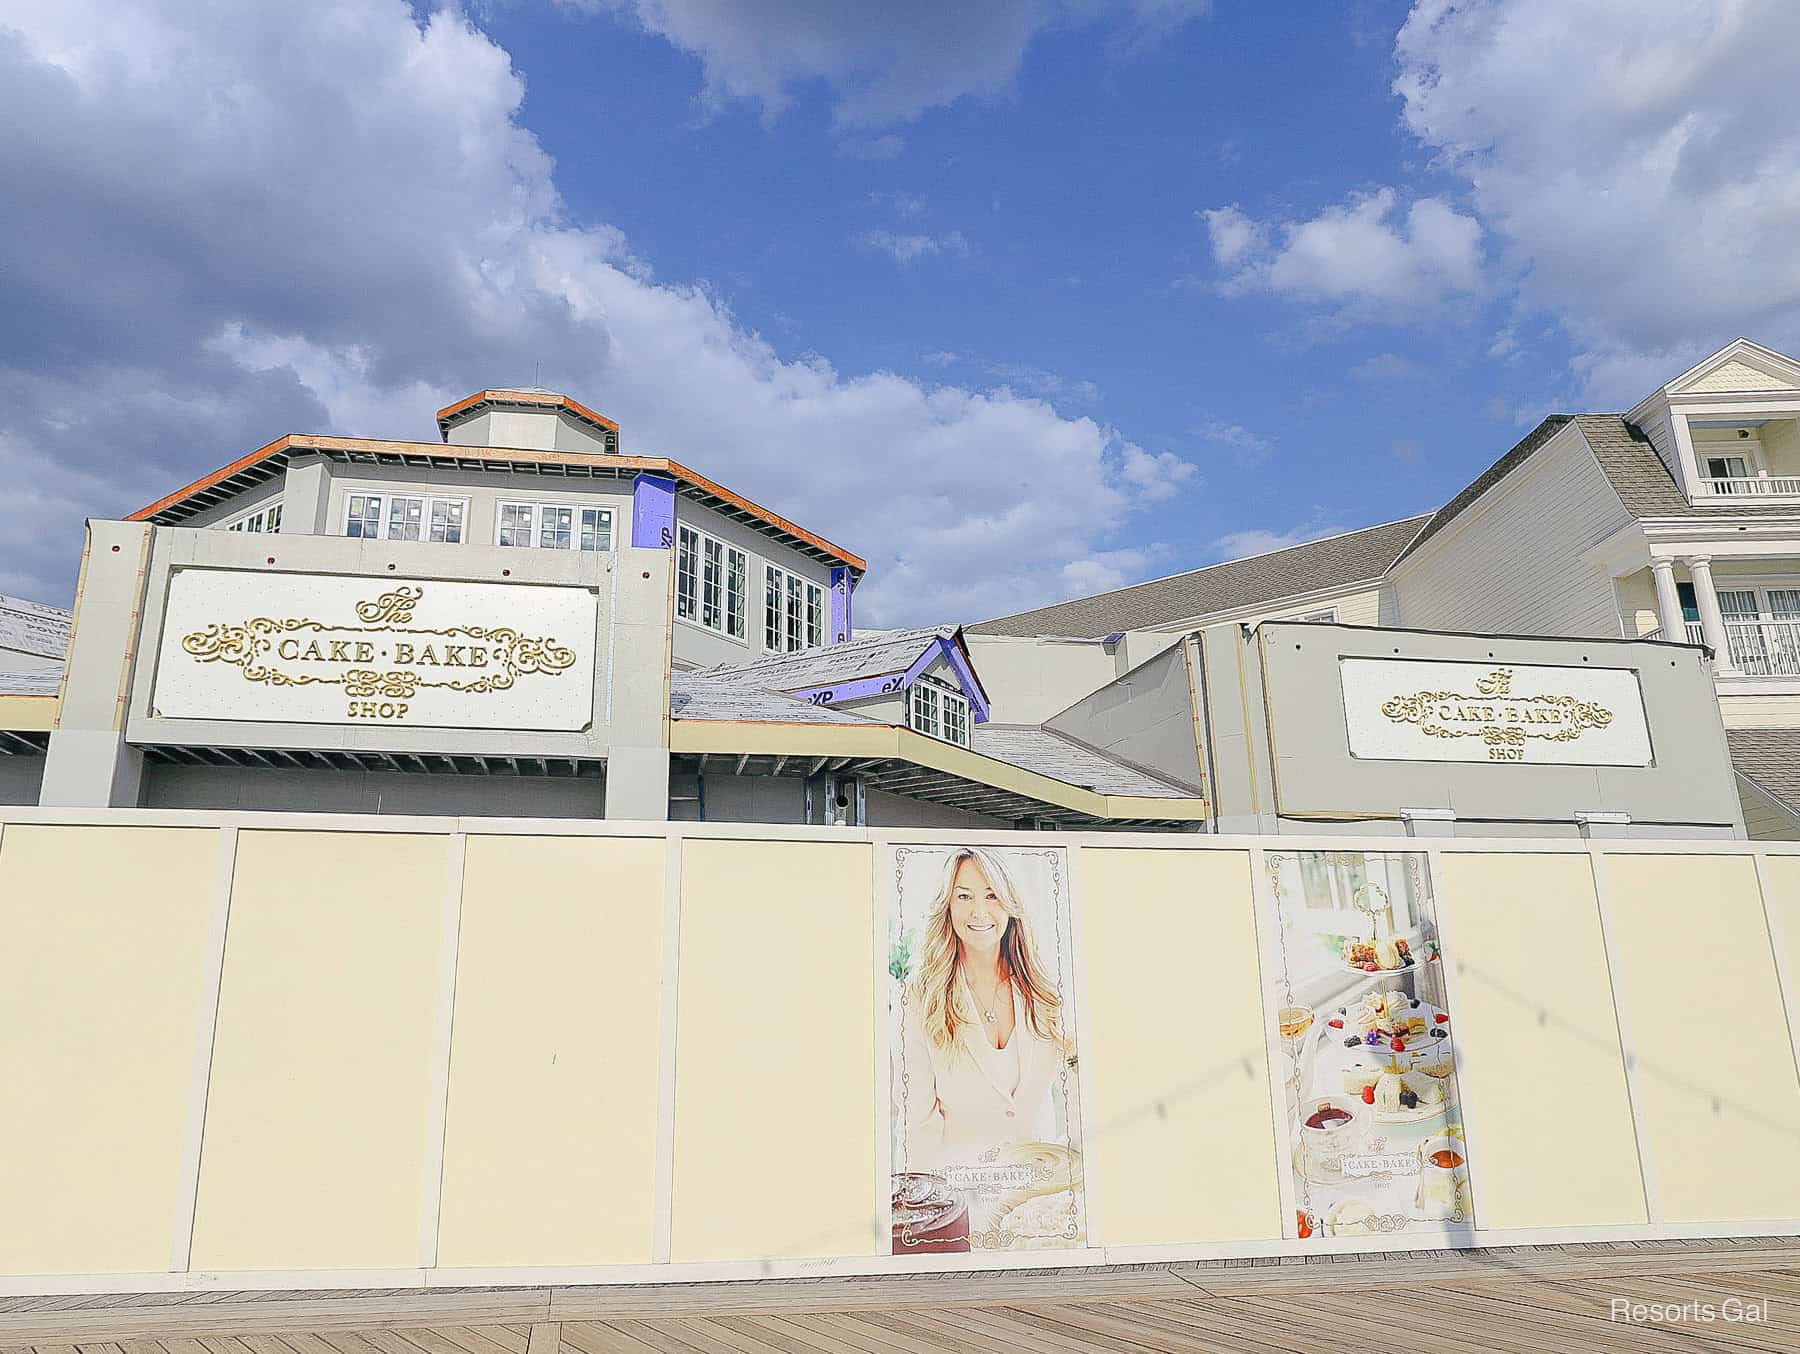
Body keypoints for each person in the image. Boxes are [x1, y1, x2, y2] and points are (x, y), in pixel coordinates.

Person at [899, 847, 1070, 1171]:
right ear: (947, 906)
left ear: (1010, 903)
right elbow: (916, 1120)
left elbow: (1080, 1085)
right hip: (960, 1196)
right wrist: (921, 1207)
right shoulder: (922, 997)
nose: (979, 912)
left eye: (992, 896)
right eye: (964, 896)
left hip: (1040, 1195)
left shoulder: (1044, 988)